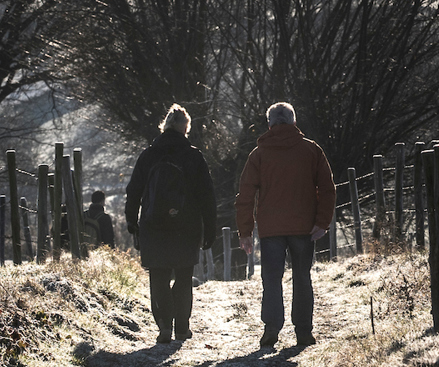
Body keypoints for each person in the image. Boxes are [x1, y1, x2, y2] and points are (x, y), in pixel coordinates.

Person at [235, 102, 334, 348]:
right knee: (302, 278)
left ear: (269, 124)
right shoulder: (311, 150)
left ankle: (271, 329)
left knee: (271, 279)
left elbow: (245, 195)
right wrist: (322, 222)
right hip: (304, 227)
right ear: (294, 122)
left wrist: (245, 232)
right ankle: (304, 332)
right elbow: (327, 188)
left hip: (271, 229)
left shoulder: (259, 154)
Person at [124, 104, 217, 344]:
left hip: (154, 226)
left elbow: (133, 191)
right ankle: (182, 327)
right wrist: (210, 228)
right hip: (186, 226)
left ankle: (164, 325)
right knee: (184, 276)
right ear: (186, 128)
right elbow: (207, 195)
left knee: (159, 276)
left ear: (164, 127)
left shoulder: (148, 155)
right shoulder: (193, 156)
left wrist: (131, 220)